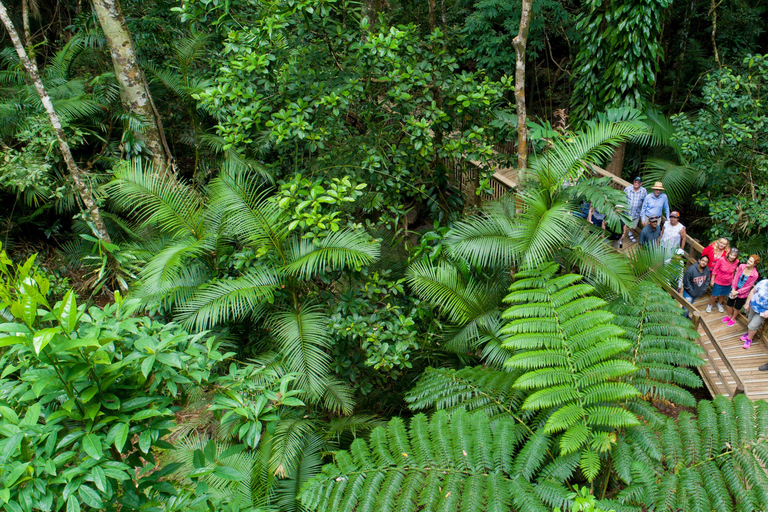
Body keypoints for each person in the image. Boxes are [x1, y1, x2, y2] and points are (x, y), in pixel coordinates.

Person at [724, 254, 760, 327]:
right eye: (749, 260)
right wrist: (733, 289)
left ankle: (733, 318)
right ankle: (730, 315)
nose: (748, 262)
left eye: (751, 262)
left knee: (737, 307)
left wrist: (737, 292)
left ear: (755, 264)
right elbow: (736, 277)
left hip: (743, 293)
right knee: (729, 304)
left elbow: (748, 286)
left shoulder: (755, 274)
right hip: (734, 288)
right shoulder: (741, 266)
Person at [706, 248, 739, 313]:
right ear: (728, 254)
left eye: (734, 255)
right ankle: (710, 305)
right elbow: (715, 269)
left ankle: (719, 304)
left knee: (723, 294)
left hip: (728, 282)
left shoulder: (736, 262)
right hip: (719, 280)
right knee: (715, 295)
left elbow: (735, 269)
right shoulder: (722, 260)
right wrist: (712, 279)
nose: (732, 257)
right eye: (731, 255)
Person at [740, 277, 768, 349]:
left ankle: (749, 339)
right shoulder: (763, 282)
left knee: (753, 325)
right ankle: (749, 333)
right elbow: (753, 291)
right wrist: (747, 303)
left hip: (763, 311)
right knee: (750, 320)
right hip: (753, 306)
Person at [620, 177, 647, 244]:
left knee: (633, 226)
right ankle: (621, 236)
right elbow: (623, 198)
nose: (636, 183)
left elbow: (644, 202)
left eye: (638, 182)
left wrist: (642, 212)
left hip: (636, 212)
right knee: (624, 224)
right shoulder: (628, 189)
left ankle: (630, 234)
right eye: (635, 181)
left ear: (641, 183)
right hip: (626, 211)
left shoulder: (643, 191)